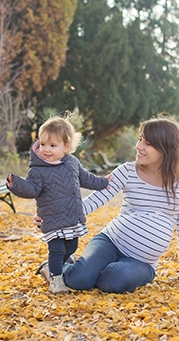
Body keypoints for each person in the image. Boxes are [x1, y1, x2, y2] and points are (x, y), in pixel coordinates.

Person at [35, 115, 179, 293]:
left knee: (114, 282)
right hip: (110, 241)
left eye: (147, 143)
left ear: (165, 148)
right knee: (79, 280)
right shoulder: (127, 171)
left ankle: (88, 267)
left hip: (143, 262)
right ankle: (56, 268)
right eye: (140, 139)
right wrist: (55, 217)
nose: (138, 146)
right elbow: (95, 199)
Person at [6, 115, 110, 294]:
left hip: (71, 218)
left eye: (53, 146)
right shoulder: (38, 170)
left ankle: (51, 267)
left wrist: (104, 182)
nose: (46, 149)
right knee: (57, 250)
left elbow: (87, 179)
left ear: (66, 147)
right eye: (43, 144)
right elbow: (31, 189)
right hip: (52, 219)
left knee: (71, 248)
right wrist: (16, 184)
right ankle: (56, 280)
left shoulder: (72, 163)